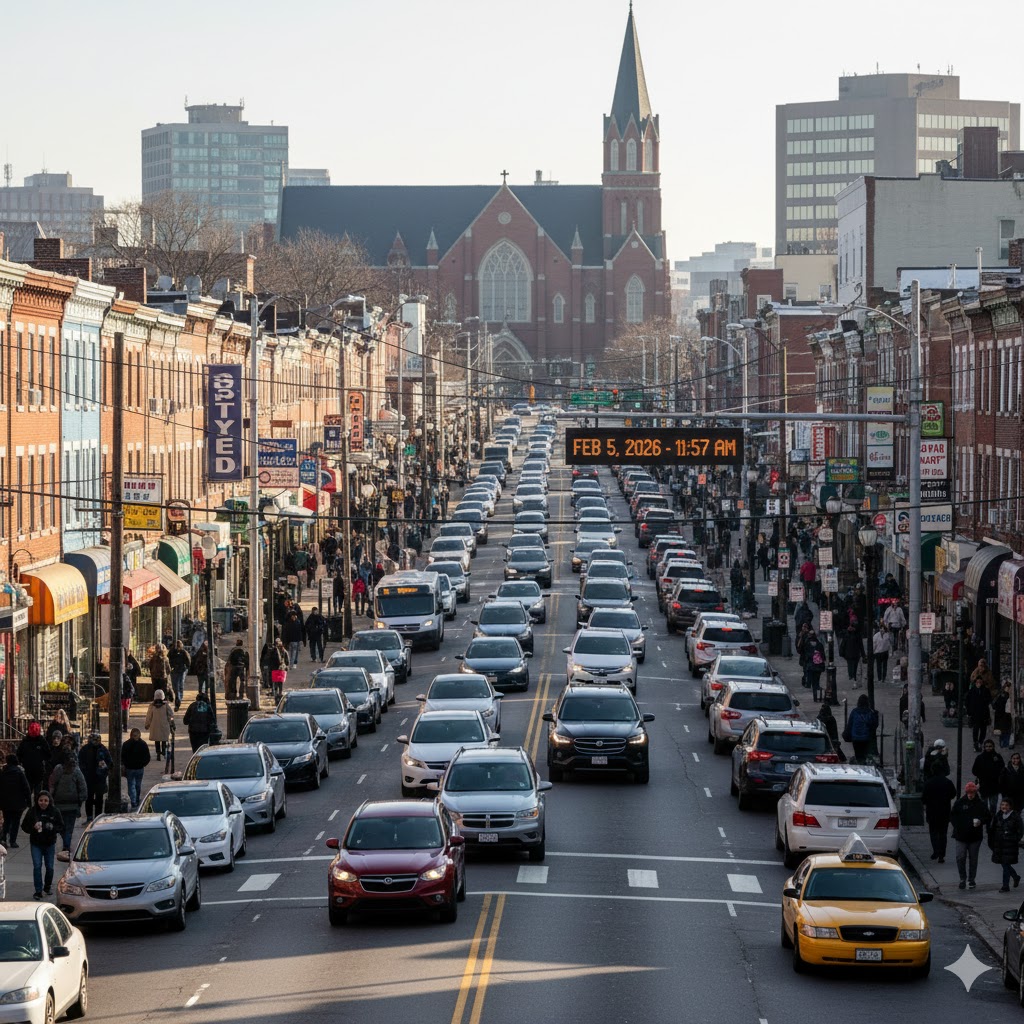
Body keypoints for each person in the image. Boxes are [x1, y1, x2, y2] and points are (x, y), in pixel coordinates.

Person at [21, 791, 63, 900]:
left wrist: (51, 827)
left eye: (46, 801)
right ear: (37, 801)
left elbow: (61, 826)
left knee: (50, 867)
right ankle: (38, 891)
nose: (43, 803)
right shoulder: (32, 811)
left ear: (49, 801)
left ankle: (47, 886)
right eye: (41, 800)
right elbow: (24, 826)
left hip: (49, 844)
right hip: (36, 843)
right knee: (37, 866)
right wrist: (32, 827)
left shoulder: (54, 811)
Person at [951, 780, 991, 890]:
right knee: (960, 857)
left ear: (975, 793)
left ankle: (971, 879)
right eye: (969, 793)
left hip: (975, 836)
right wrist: (957, 826)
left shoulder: (980, 804)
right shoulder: (960, 802)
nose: (970, 795)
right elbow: (953, 816)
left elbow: (988, 817)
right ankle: (962, 878)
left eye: (972, 793)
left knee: (973, 859)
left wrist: (980, 822)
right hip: (961, 835)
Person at [48, 755, 87, 853]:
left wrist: (51, 798)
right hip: (73, 805)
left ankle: (66, 844)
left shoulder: (58, 770)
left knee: (61, 827)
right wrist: (81, 800)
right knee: (69, 828)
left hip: (59, 804)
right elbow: (83, 787)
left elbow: (52, 784)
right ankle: (66, 846)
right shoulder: (77, 771)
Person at [921, 763, 957, 863]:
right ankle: (941, 855)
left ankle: (935, 851)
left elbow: (923, 799)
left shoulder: (928, 783)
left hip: (932, 812)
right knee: (943, 834)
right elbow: (953, 794)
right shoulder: (948, 782)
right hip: (944, 811)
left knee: (933, 833)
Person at [77, 731, 112, 823]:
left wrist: (104, 767)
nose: (95, 741)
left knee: (99, 799)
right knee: (89, 798)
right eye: (94, 739)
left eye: (97, 740)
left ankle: (97, 817)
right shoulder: (85, 749)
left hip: (99, 778)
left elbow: (110, 762)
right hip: (88, 778)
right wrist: (84, 771)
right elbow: (80, 762)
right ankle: (89, 817)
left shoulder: (103, 749)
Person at [990, 798, 1024, 892]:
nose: (1004, 807)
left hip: (1010, 845)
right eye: (1002, 805)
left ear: (1010, 806)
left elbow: (1020, 831)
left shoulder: (1015, 816)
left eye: (1006, 805)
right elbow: (993, 828)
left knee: (1005, 865)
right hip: (999, 845)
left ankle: (1005, 886)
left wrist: (1013, 839)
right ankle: (1016, 877)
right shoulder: (998, 815)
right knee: (1005, 864)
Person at [0, 755, 31, 848]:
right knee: (16, 822)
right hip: (18, 803)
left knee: (7, 821)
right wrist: (29, 801)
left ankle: (3, 838)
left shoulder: (3, 773)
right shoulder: (19, 773)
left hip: (6, 803)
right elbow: (26, 788)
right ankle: (13, 841)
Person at [972, 739, 1005, 817]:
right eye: (986, 746)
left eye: (990, 746)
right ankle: (986, 820)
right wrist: (981, 775)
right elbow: (974, 770)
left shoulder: (997, 757)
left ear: (993, 747)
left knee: (993, 806)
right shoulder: (980, 758)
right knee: (984, 806)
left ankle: (992, 821)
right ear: (984, 747)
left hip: (995, 786)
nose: (988, 748)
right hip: (983, 786)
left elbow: (1002, 769)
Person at [17, 723, 51, 796]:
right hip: (35, 770)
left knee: (30, 791)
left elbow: (19, 754)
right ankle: (34, 805)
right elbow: (48, 754)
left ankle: (32, 805)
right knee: (35, 791)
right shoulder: (40, 741)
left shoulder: (26, 741)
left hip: (32, 770)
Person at [843, 694, 879, 763]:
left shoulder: (854, 712)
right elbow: (874, 725)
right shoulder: (869, 712)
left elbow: (850, 724)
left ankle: (859, 764)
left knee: (858, 755)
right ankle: (863, 764)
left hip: (855, 738)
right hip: (865, 737)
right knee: (864, 755)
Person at [121, 728, 151, 810]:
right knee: (134, 785)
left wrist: (142, 764)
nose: (135, 737)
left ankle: (135, 800)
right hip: (133, 768)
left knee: (134, 785)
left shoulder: (128, 744)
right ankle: (135, 801)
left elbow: (147, 757)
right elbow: (123, 757)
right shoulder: (141, 744)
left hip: (135, 768)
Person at [145, 689, 175, 761]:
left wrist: (147, 724)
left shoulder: (152, 705)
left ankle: (158, 753)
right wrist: (171, 723)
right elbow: (171, 715)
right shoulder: (166, 705)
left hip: (155, 726)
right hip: (164, 726)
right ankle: (163, 752)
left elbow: (149, 716)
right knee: (164, 739)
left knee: (157, 740)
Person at [966, 674, 993, 752]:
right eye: (977, 682)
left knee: (983, 730)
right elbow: (967, 702)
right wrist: (969, 712)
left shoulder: (986, 690)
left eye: (980, 682)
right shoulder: (971, 691)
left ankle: (980, 742)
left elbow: (989, 700)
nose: (979, 684)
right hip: (974, 714)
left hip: (984, 714)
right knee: (975, 729)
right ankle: (975, 743)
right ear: (975, 683)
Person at [168, 641, 191, 712]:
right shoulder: (172, 652)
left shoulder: (184, 652)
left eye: (179, 646)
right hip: (174, 670)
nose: (177, 648)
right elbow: (168, 660)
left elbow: (188, 662)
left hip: (181, 670)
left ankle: (178, 701)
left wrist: (185, 668)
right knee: (175, 686)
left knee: (180, 685)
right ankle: (178, 698)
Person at [805, 634, 826, 702]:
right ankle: (817, 687)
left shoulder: (808, 645)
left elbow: (805, 655)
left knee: (813, 681)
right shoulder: (819, 645)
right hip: (818, 666)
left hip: (811, 666)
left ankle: (815, 696)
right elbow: (823, 656)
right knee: (817, 679)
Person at [993, 684, 1013, 748]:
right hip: (1003, 715)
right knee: (1004, 731)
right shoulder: (1003, 695)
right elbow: (996, 705)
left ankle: (1004, 743)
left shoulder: (1004, 695)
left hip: (1004, 715)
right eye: (1007, 688)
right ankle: (1004, 743)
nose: (1008, 689)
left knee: (1005, 731)